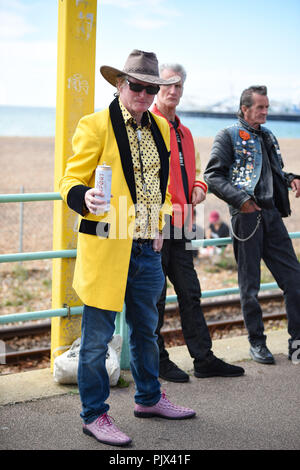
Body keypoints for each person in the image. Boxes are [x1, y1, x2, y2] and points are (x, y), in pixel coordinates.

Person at [59, 50, 196, 448]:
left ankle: (149, 399)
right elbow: (70, 179)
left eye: (150, 87)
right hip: (107, 247)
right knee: (97, 339)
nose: (143, 93)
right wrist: (84, 197)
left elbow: (163, 186)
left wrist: (161, 224)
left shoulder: (160, 127)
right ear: (120, 85)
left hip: (147, 250)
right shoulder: (95, 125)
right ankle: (94, 416)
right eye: (135, 85)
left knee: (147, 333)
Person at [152, 63, 245, 382]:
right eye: (168, 85)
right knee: (156, 295)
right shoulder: (148, 124)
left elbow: (193, 172)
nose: (173, 91)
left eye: (179, 86)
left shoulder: (185, 132)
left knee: (190, 292)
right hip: (154, 223)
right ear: (156, 85)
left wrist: (199, 186)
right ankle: (157, 360)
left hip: (182, 223)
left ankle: (203, 359)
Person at [204, 85, 300, 365]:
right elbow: (212, 176)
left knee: (294, 281)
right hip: (246, 217)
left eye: (267, 107)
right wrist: (242, 200)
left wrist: (290, 178)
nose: (266, 111)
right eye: (260, 107)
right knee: (250, 286)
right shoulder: (228, 135)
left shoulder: (268, 135)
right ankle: (257, 343)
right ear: (245, 108)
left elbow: (271, 172)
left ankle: (297, 343)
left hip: (272, 216)